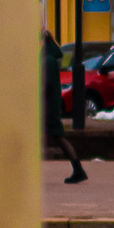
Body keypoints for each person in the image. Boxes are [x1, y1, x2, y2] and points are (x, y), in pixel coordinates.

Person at [42, 29, 87, 187]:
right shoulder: (48, 58)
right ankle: (78, 169)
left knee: (56, 137)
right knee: (57, 137)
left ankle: (78, 170)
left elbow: (46, 84)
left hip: (47, 107)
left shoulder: (47, 60)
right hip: (49, 105)